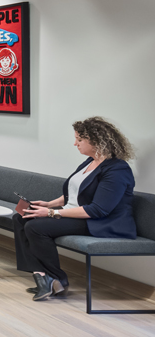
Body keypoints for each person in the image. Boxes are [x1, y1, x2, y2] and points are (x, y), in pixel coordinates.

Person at [14, 117, 137, 301]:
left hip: (98, 222)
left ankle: (57, 278)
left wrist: (51, 213)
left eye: (79, 140)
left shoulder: (117, 169)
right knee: (21, 217)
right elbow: (76, 193)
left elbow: (98, 210)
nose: (75, 144)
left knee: (36, 227)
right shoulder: (89, 162)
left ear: (96, 141)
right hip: (76, 214)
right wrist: (49, 204)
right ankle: (41, 275)